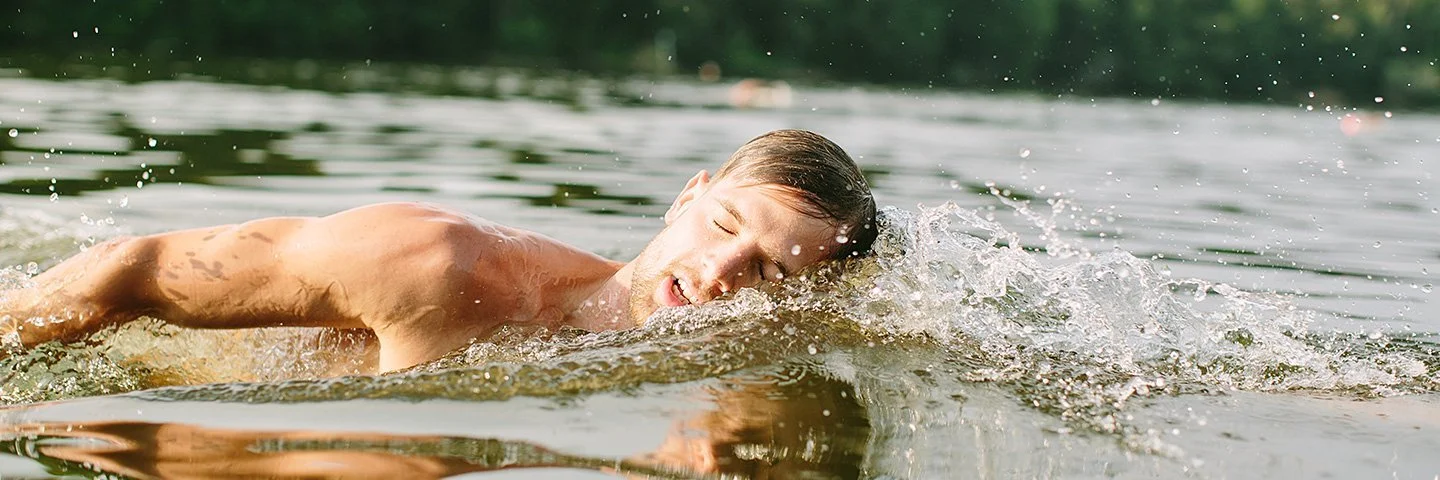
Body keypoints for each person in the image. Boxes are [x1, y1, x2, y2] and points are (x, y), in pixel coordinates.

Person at [0, 129, 877, 372]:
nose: (722, 276)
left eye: (773, 272)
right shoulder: (439, 265)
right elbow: (132, 270)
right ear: (689, 197)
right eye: (724, 228)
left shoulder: (722, 393)